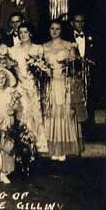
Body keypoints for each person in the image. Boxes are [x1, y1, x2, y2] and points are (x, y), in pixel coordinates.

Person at [43, 20, 83, 161]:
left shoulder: (68, 46)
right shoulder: (44, 46)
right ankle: (53, 148)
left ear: (61, 30)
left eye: (57, 29)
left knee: (64, 113)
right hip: (50, 84)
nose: (54, 31)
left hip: (64, 84)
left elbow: (75, 68)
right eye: (52, 28)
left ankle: (64, 149)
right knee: (51, 113)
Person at [8, 22, 48, 153]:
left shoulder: (38, 49)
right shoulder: (13, 50)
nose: (23, 35)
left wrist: (38, 72)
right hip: (20, 85)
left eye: (25, 32)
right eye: (20, 33)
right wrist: (20, 79)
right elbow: (13, 69)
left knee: (35, 111)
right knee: (23, 111)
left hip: (33, 85)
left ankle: (38, 143)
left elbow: (43, 69)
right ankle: (24, 143)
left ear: (30, 33)